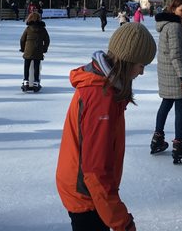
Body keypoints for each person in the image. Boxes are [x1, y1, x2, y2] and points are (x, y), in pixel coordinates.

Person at [56, 22, 156, 231]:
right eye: (141, 65)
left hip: (88, 190)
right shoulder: (101, 97)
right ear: (127, 61)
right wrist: (122, 222)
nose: (142, 72)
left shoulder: (108, 87)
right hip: (86, 194)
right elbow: (95, 170)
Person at [151, 0, 182, 164]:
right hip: (175, 75)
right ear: (173, 10)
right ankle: (178, 147)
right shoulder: (175, 27)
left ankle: (157, 139)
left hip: (167, 72)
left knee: (166, 104)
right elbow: (176, 55)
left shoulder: (170, 25)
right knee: (180, 109)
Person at [20, 12, 50, 92]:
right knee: (36, 66)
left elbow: (22, 39)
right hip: (38, 50)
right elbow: (47, 40)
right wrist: (44, 49)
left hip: (28, 50)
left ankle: (26, 81)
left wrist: (23, 49)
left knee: (27, 66)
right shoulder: (43, 29)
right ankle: (36, 82)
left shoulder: (28, 28)